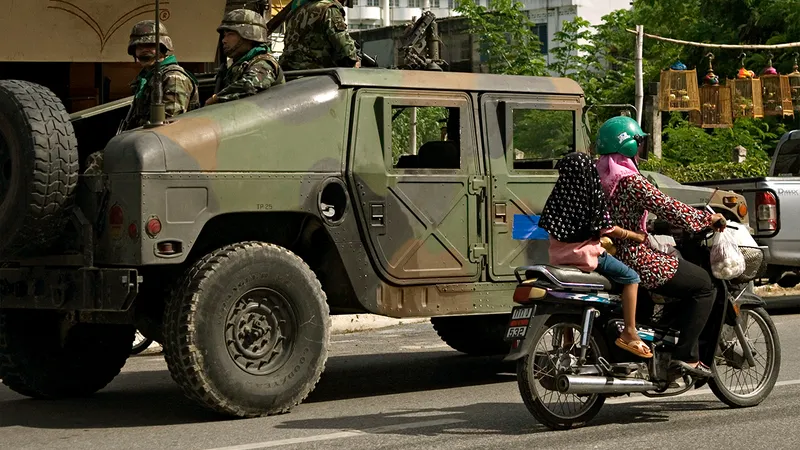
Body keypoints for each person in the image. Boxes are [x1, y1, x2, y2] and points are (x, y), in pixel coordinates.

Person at [594, 115, 727, 378]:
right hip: (635, 257)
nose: (641, 149)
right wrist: (705, 218)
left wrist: (653, 227)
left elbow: (621, 219)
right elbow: (667, 206)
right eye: (639, 143)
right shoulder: (629, 180)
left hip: (608, 255)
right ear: (629, 146)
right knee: (703, 286)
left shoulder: (599, 176)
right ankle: (687, 356)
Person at [538, 152, 652, 359]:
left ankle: (567, 340)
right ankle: (630, 331)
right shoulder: (589, 193)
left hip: (557, 259)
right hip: (586, 257)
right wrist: (635, 235)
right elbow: (606, 228)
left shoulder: (558, 196)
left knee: (569, 300)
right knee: (631, 278)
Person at [84, 20, 200, 175]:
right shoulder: (149, 78)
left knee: (98, 162)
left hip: (163, 148)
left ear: (163, 47)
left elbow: (169, 124)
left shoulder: (173, 77)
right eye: (139, 46)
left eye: (150, 46)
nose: (144, 51)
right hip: (144, 142)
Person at [205, 9, 285, 106]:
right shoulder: (237, 65)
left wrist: (216, 99)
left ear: (249, 35)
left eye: (230, 34)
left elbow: (250, 85)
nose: (224, 40)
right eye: (224, 35)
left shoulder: (264, 62)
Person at [278, 0, 360, 71]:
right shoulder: (328, 9)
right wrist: (355, 60)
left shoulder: (295, 11)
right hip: (314, 73)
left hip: (288, 71)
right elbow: (346, 49)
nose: (342, 4)